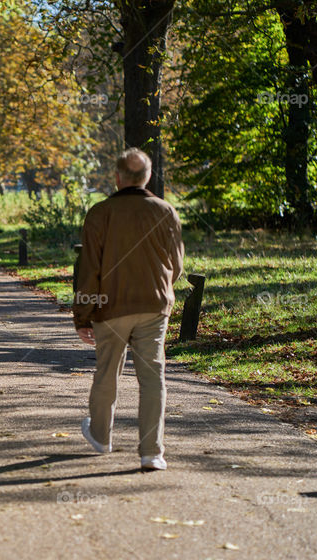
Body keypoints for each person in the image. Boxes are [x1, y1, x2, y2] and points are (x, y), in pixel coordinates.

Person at [73, 148, 184, 471]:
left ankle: (101, 436)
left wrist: (83, 315)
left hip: (111, 306)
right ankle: (152, 452)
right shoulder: (166, 211)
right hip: (153, 305)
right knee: (153, 377)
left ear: (118, 177)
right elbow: (176, 267)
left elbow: (89, 269)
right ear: (148, 176)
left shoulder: (100, 213)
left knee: (107, 371)